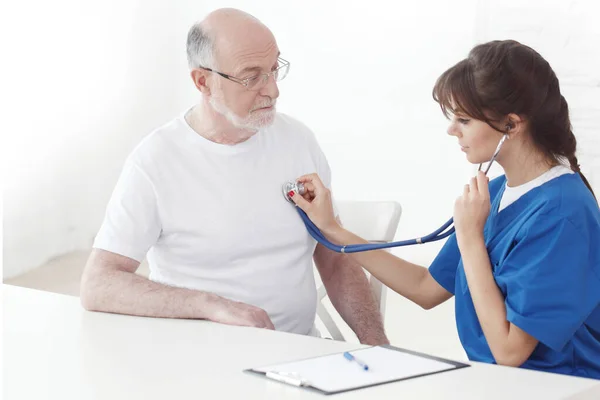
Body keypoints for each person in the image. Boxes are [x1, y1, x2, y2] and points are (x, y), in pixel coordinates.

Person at [290, 40, 600, 379]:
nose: (452, 130)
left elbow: (510, 352)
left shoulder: (562, 214)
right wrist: (333, 228)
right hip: (497, 382)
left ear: (512, 124)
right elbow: (425, 288)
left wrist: (470, 238)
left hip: (555, 387)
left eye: (464, 120)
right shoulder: (494, 193)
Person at [80, 8, 388, 345]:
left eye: (274, 70)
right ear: (203, 81)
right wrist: (209, 305)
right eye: (251, 77)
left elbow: (333, 260)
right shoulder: (155, 161)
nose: (272, 90)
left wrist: (377, 344)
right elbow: (99, 284)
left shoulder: (298, 141)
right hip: (199, 357)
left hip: (297, 353)